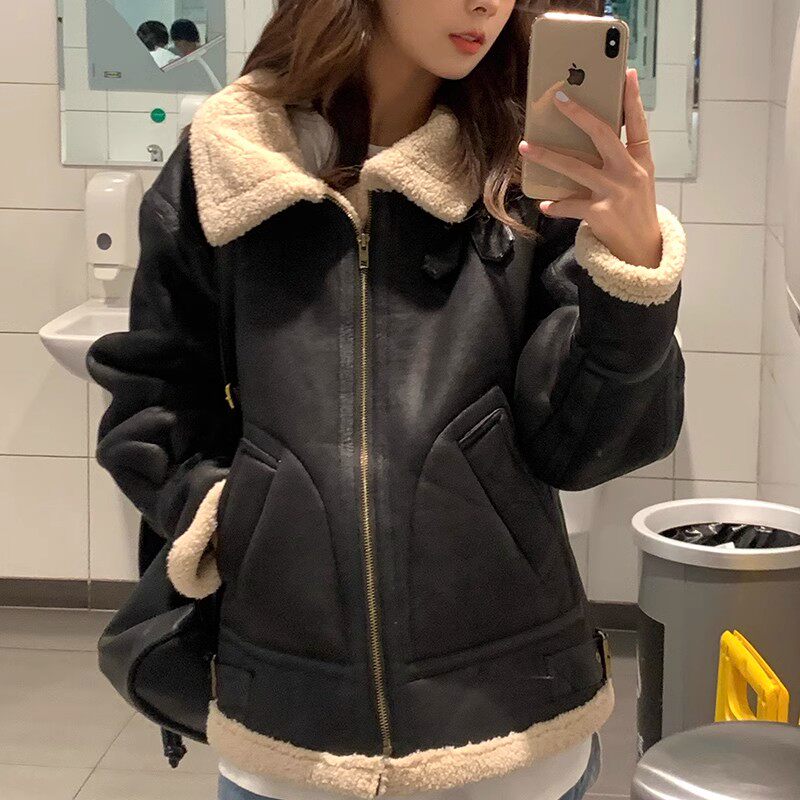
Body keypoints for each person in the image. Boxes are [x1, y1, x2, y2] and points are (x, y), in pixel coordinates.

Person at [86, 1, 686, 799]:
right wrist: (241, 519)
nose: (487, 3)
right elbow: (153, 403)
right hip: (289, 736)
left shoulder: (523, 174)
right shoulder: (230, 159)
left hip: (515, 735)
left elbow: (582, 451)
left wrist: (633, 266)